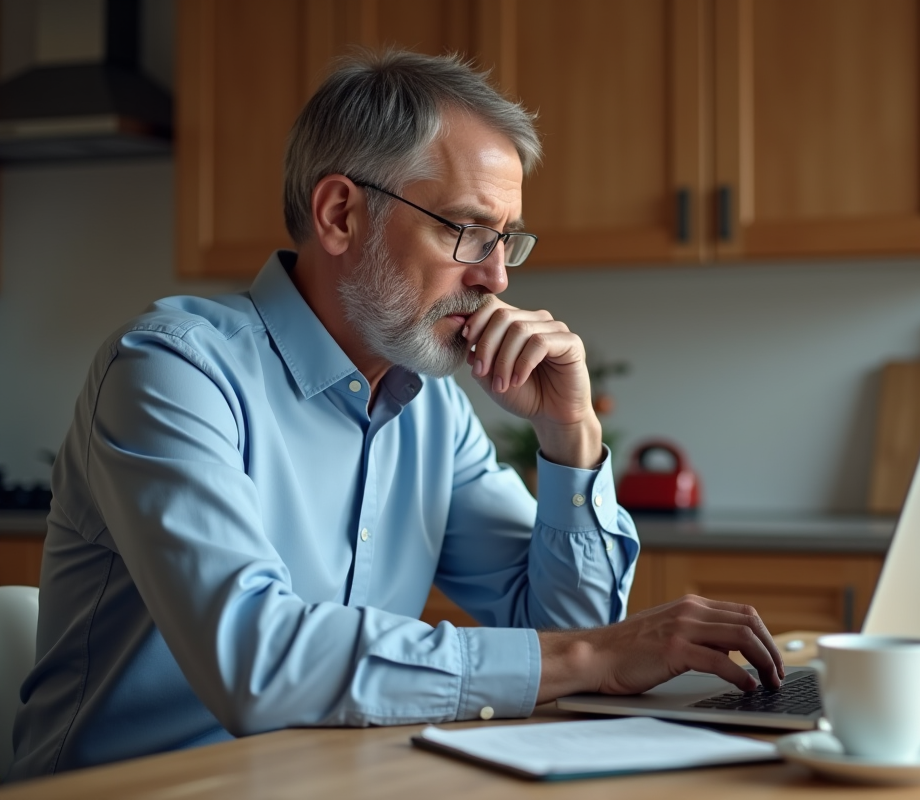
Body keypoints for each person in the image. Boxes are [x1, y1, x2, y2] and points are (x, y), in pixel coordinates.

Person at [7, 49, 782, 781]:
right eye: (469, 230)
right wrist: (591, 657)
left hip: (337, 782)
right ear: (341, 215)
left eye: (507, 239)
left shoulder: (431, 405)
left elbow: (558, 624)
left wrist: (568, 434)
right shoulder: (171, 371)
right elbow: (257, 662)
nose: (496, 275)